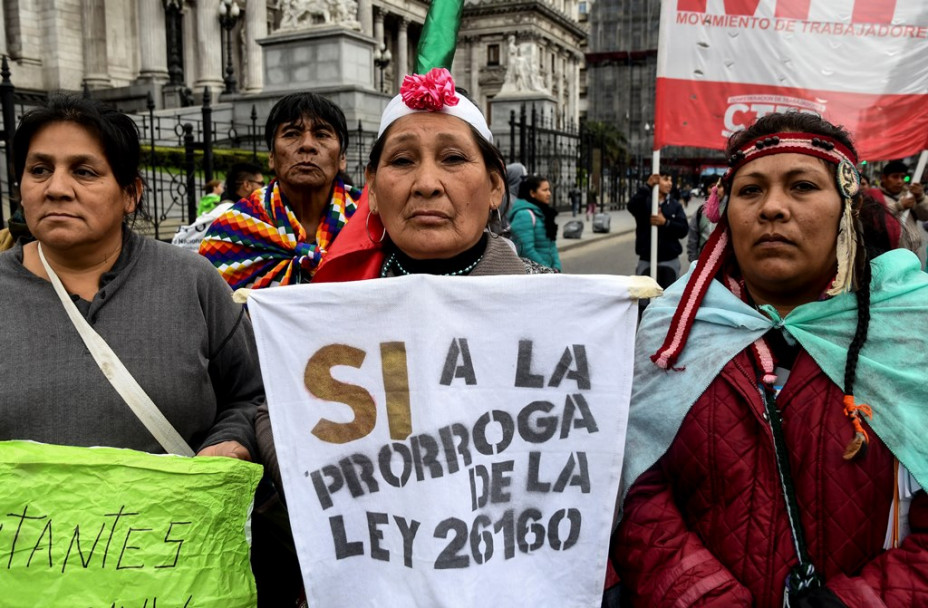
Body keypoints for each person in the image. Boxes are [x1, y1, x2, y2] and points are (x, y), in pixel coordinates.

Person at [611, 112, 927, 606]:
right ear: (726, 211)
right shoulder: (671, 329)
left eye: (802, 186)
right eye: (750, 190)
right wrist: (701, 596)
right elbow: (634, 488)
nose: (772, 208)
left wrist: (859, 601)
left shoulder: (911, 330)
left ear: (847, 207)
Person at [0, 95, 260, 460]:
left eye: (84, 172)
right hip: (26, 520)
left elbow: (253, 394)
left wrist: (232, 439)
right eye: (39, 170)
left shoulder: (192, 281)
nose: (56, 188)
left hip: (177, 516)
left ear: (131, 194)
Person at [200, 92, 361, 288]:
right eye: (292, 134)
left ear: (342, 158)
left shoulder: (371, 223)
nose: (307, 145)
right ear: (271, 157)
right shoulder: (232, 232)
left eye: (322, 135)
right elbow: (211, 310)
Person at [628, 172, 688, 287]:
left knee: (668, 299)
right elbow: (632, 206)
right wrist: (647, 187)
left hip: (669, 260)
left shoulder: (675, 206)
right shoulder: (644, 201)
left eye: (671, 180)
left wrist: (666, 222)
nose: (670, 183)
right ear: (656, 179)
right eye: (666, 179)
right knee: (643, 300)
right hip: (646, 259)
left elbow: (683, 230)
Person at [872, 159, 927, 266]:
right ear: (884, 178)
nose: (900, 181)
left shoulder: (909, 196)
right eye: (895, 177)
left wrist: (921, 198)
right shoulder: (875, 196)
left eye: (903, 177)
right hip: (891, 258)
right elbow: (874, 218)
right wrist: (899, 206)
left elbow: (925, 215)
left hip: (913, 256)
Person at [507, 174, 562, 271]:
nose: (549, 193)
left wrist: (557, 267)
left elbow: (552, 245)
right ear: (532, 193)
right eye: (544, 190)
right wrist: (547, 269)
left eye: (549, 190)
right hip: (534, 274)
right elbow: (526, 250)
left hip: (548, 273)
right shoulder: (524, 214)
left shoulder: (544, 213)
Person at [686, 180, 722, 263]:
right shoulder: (699, 212)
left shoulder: (731, 210)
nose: (715, 189)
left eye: (719, 186)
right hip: (703, 262)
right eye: (711, 186)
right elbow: (692, 239)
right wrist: (694, 262)